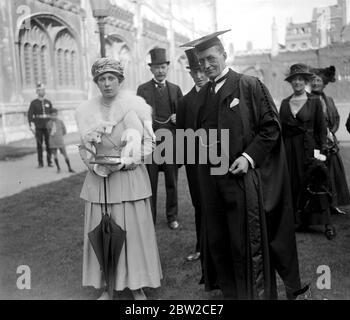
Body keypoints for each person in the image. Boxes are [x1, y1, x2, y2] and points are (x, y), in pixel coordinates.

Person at [180, 30, 305, 300]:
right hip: (213, 183)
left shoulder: (249, 86)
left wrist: (247, 158)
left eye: (211, 58)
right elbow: (195, 139)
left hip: (241, 182)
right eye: (201, 61)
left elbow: (271, 128)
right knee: (221, 243)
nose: (206, 65)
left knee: (246, 245)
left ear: (225, 55)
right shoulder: (201, 96)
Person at [76, 58, 162, 300]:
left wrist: (128, 160)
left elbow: (149, 143)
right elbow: (84, 147)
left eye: (111, 78)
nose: (107, 84)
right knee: (103, 232)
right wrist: (94, 167)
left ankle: (137, 285)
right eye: (102, 79)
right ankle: (107, 286)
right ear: (97, 83)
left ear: (120, 81)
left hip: (129, 180)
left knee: (132, 235)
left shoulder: (136, 108)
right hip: (100, 182)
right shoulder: (87, 112)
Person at [279, 64, 335, 239]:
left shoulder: (314, 101)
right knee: (295, 184)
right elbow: (282, 131)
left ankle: (327, 224)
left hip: (310, 148)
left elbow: (320, 129)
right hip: (290, 150)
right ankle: (300, 221)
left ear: (305, 81)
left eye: (300, 79)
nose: (297, 82)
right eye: (294, 79)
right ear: (291, 82)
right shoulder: (285, 103)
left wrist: (321, 152)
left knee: (316, 183)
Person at [137, 48, 183, 229]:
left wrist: (178, 117)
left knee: (172, 182)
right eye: (157, 67)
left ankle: (172, 216)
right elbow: (136, 116)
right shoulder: (142, 90)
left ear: (167, 68)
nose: (160, 71)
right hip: (151, 145)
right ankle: (150, 217)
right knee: (151, 183)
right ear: (151, 69)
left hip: (170, 144)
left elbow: (183, 117)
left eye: (163, 67)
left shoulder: (175, 90)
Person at [177, 48, 208, 261]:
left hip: (220, 159)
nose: (198, 75)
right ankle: (201, 247)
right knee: (200, 204)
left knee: (221, 203)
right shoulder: (184, 102)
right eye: (194, 72)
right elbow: (180, 135)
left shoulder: (220, 95)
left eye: (201, 71)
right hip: (195, 163)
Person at [310, 66, 350, 215]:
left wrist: (331, 131)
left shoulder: (329, 100)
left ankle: (333, 204)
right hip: (316, 143)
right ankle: (320, 206)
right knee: (318, 172)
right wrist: (322, 133)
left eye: (318, 80)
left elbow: (336, 117)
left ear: (324, 83)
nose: (315, 83)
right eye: (313, 80)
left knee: (333, 173)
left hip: (330, 142)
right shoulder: (307, 99)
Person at [28, 82, 53, 168]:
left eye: (43, 90)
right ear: (37, 92)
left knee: (49, 144)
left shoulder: (48, 102)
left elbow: (52, 114)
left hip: (47, 126)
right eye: (40, 90)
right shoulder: (33, 103)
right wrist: (31, 125)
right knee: (39, 145)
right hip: (38, 126)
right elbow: (30, 115)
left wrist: (53, 125)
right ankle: (40, 163)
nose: (42, 92)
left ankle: (49, 162)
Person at [47, 108, 75, 174]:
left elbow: (64, 131)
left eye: (55, 115)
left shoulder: (60, 122)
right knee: (55, 155)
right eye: (52, 115)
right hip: (52, 142)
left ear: (57, 115)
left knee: (65, 155)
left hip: (60, 141)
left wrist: (59, 135)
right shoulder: (48, 123)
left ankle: (69, 168)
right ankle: (58, 168)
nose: (53, 116)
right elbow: (48, 132)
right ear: (50, 115)